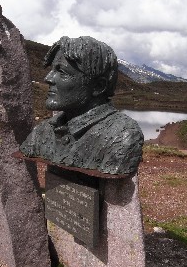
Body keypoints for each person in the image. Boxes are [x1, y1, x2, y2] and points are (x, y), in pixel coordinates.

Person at [19, 36, 143, 175]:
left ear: (98, 86)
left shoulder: (123, 136)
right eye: (52, 70)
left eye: (62, 72)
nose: (48, 78)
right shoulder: (42, 132)